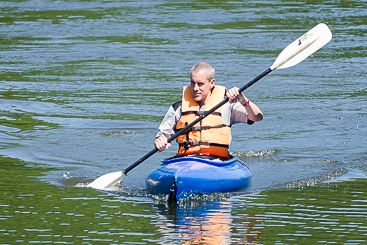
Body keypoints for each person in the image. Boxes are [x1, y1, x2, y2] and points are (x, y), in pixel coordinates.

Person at [154, 62, 263, 159]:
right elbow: (162, 135)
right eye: (192, 83)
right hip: (186, 162)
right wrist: (160, 140)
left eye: (200, 84)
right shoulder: (178, 108)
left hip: (216, 162)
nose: (195, 88)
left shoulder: (228, 105)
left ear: (212, 83)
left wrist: (243, 100)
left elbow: (257, 117)